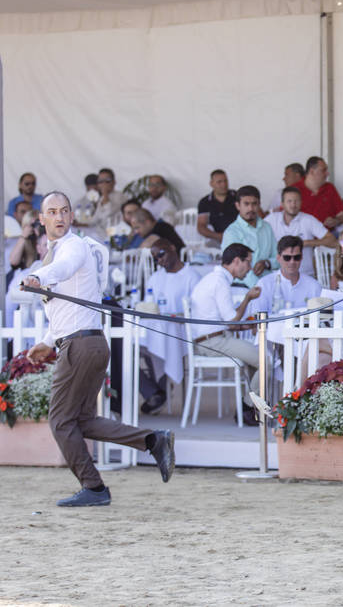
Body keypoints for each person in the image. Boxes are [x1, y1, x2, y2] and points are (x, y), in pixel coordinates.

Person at [23, 192, 174, 506]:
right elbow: (63, 309)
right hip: (85, 342)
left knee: (60, 421)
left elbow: (63, 269)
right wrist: (47, 342)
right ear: (42, 219)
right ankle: (152, 440)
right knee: (82, 421)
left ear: (71, 215)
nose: (60, 217)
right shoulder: (53, 253)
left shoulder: (73, 246)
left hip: (80, 345)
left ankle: (93, 487)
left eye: (64, 211)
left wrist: (38, 276)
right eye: (52, 212)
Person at [190, 243, 264, 426]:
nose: (250, 268)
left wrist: (249, 326)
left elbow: (227, 322)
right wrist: (247, 298)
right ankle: (248, 408)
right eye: (248, 262)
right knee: (265, 360)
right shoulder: (219, 282)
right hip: (212, 341)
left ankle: (251, 408)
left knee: (257, 361)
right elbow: (231, 321)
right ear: (237, 261)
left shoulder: (214, 279)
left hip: (214, 338)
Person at [139, 238, 201, 414]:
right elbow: (147, 304)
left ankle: (159, 391)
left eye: (161, 254)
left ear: (172, 248)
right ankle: (155, 391)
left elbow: (196, 310)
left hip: (182, 330)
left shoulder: (192, 276)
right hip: (157, 326)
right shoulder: (155, 277)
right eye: (155, 258)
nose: (160, 260)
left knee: (159, 343)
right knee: (127, 350)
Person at [264, 186, 337, 278]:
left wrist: (306, 243)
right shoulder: (271, 219)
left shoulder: (308, 220)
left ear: (301, 202)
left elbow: (332, 240)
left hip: (305, 274)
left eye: (296, 201)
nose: (293, 205)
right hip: (276, 274)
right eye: (289, 201)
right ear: (282, 204)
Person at [250, 236, 322, 315]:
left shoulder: (313, 286)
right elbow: (258, 318)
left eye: (296, 257)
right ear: (278, 258)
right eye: (287, 258)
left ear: (301, 257)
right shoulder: (264, 284)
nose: (292, 262)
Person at [221, 185, 276, 287]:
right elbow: (235, 268)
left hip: (267, 283)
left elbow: (278, 258)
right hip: (241, 286)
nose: (250, 208)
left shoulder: (267, 227)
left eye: (254, 204)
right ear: (238, 206)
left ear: (259, 205)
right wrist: (260, 288)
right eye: (246, 204)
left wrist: (267, 263)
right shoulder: (232, 232)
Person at [292, 156, 343, 229]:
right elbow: (287, 216)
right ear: (312, 171)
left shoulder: (330, 188)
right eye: (323, 170)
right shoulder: (294, 190)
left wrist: (336, 221)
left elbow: (342, 215)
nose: (327, 173)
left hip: (329, 235)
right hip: (302, 234)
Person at [76, 168, 124, 232]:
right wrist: (81, 224)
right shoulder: (102, 198)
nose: (103, 184)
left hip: (115, 234)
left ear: (114, 182)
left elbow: (108, 213)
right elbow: (96, 218)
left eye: (107, 180)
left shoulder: (120, 196)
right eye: (100, 181)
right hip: (101, 234)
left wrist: (104, 193)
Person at [197, 169, 238, 243]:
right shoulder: (205, 202)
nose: (224, 184)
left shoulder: (237, 196)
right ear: (211, 183)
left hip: (240, 236)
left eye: (225, 181)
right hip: (217, 239)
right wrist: (219, 236)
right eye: (219, 182)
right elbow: (201, 226)